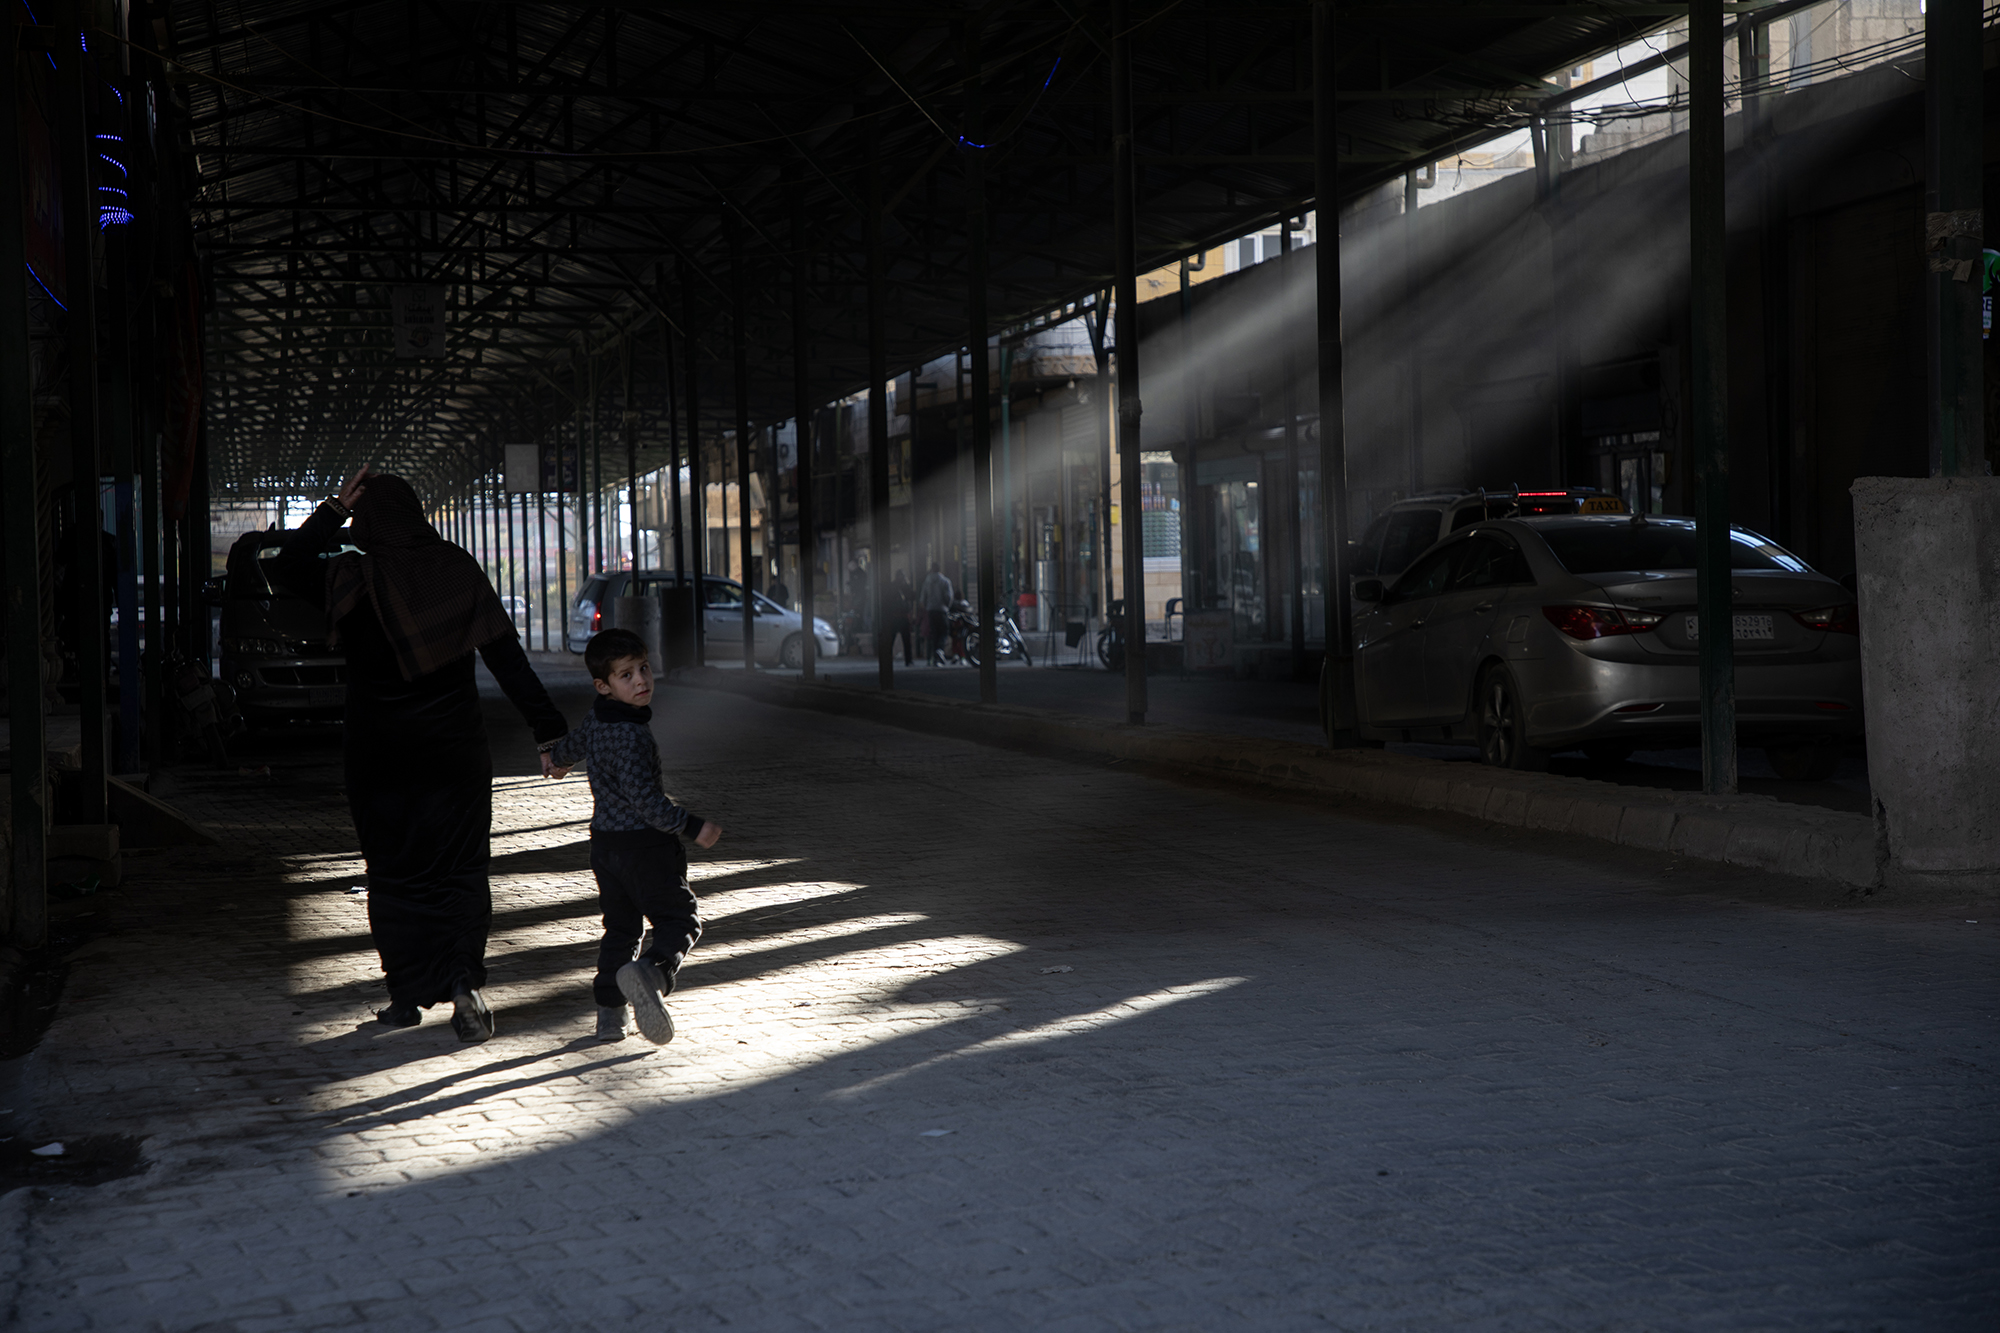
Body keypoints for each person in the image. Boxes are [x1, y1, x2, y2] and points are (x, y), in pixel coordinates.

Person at [269, 466, 569, 1043]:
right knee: (460, 871)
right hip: (455, 755)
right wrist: (549, 732)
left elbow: (286, 565)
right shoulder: (455, 569)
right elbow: (509, 662)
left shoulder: (352, 579)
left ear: (368, 522)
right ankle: (462, 980)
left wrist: (334, 509)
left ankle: (405, 996)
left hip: (380, 759)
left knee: (393, 875)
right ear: (416, 514)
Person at [547, 628, 723, 1044]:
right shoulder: (631, 735)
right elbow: (645, 800)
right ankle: (652, 972)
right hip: (645, 847)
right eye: (626, 675)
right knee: (680, 919)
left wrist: (556, 760)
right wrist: (692, 826)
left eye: (643, 668)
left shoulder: (599, 717)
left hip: (605, 848)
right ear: (603, 685)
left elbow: (574, 744)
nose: (641, 680)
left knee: (621, 930)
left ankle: (610, 1016)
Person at [919, 562, 954, 666]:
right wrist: (947, 606)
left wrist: (926, 607)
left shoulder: (927, 581)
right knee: (944, 631)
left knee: (933, 633)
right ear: (940, 569)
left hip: (930, 610)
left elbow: (922, 598)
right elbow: (948, 597)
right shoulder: (945, 581)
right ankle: (940, 649)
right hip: (942, 610)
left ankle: (934, 658)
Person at [887, 570, 917, 667]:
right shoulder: (905, 586)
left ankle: (887, 659)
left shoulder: (892, 586)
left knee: (892, 639)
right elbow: (913, 596)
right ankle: (908, 660)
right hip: (903, 616)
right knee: (906, 639)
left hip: (894, 616)